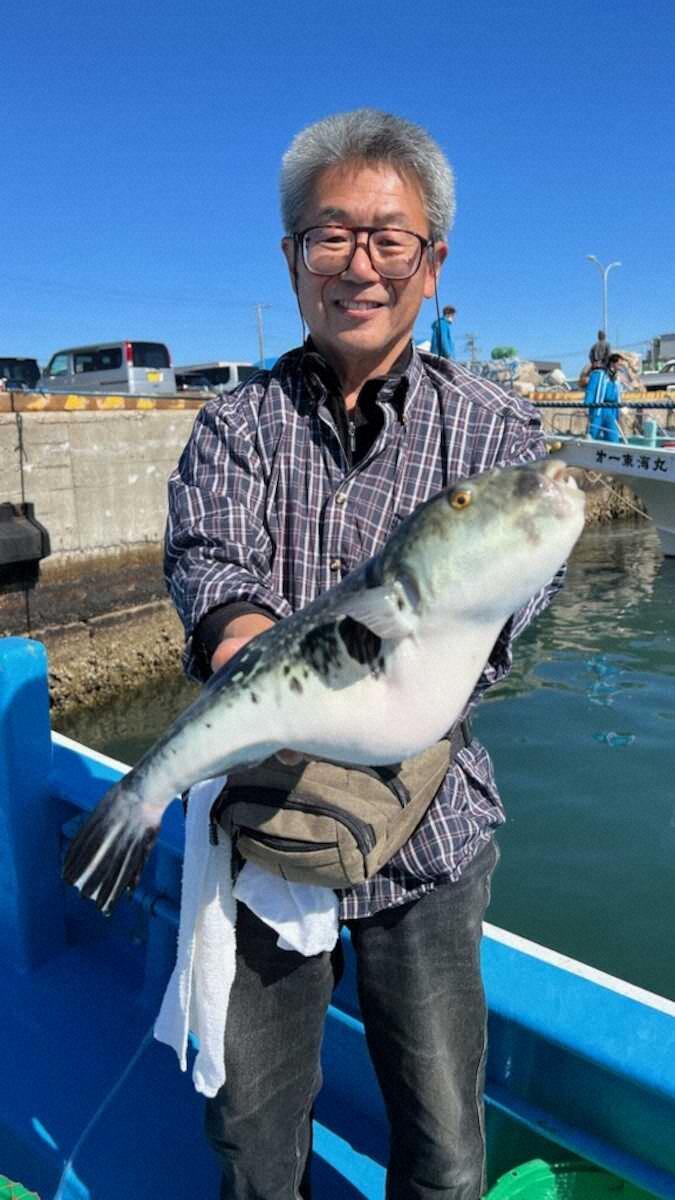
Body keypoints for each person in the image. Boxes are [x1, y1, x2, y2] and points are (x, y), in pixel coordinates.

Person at [165, 108, 564, 1200]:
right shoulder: (232, 427)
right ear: (292, 260)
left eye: (391, 239)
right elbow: (209, 560)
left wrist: (403, 693)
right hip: (264, 820)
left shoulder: (495, 433)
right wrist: (253, 657)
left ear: (432, 265)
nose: (360, 264)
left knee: (442, 1140)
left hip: (431, 834)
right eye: (330, 235)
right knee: (251, 1134)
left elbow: (531, 578)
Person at [585, 352, 623, 442]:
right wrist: (586, 406)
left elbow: (618, 395)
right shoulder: (598, 375)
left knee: (613, 436)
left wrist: (619, 411)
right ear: (613, 363)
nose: (621, 366)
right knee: (592, 434)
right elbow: (590, 391)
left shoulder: (616, 379)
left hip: (611, 410)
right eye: (619, 364)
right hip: (598, 409)